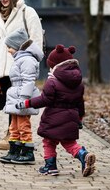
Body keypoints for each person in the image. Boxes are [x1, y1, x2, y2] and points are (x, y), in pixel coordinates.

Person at [15, 44, 97, 177]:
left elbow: (44, 100)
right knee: (69, 143)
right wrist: (79, 119)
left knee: (48, 141)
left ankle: (50, 166)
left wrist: (26, 103)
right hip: (71, 118)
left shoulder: (52, 82)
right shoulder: (79, 83)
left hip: (54, 117)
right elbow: (80, 103)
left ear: (55, 65)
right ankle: (83, 154)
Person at [0, 0, 43, 150]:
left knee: (19, 101)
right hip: (2, 66)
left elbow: (36, 39)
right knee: (9, 101)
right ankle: (13, 132)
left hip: (20, 66)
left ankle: (15, 136)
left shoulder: (27, 12)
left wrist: (32, 62)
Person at [0, 27, 43, 164]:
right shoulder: (20, 59)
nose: (8, 50)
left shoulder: (27, 60)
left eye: (10, 47)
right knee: (14, 126)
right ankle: (15, 150)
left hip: (22, 98)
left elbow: (28, 81)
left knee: (23, 126)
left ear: (18, 46)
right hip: (16, 96)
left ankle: (27, 153)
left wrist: (24, 99)